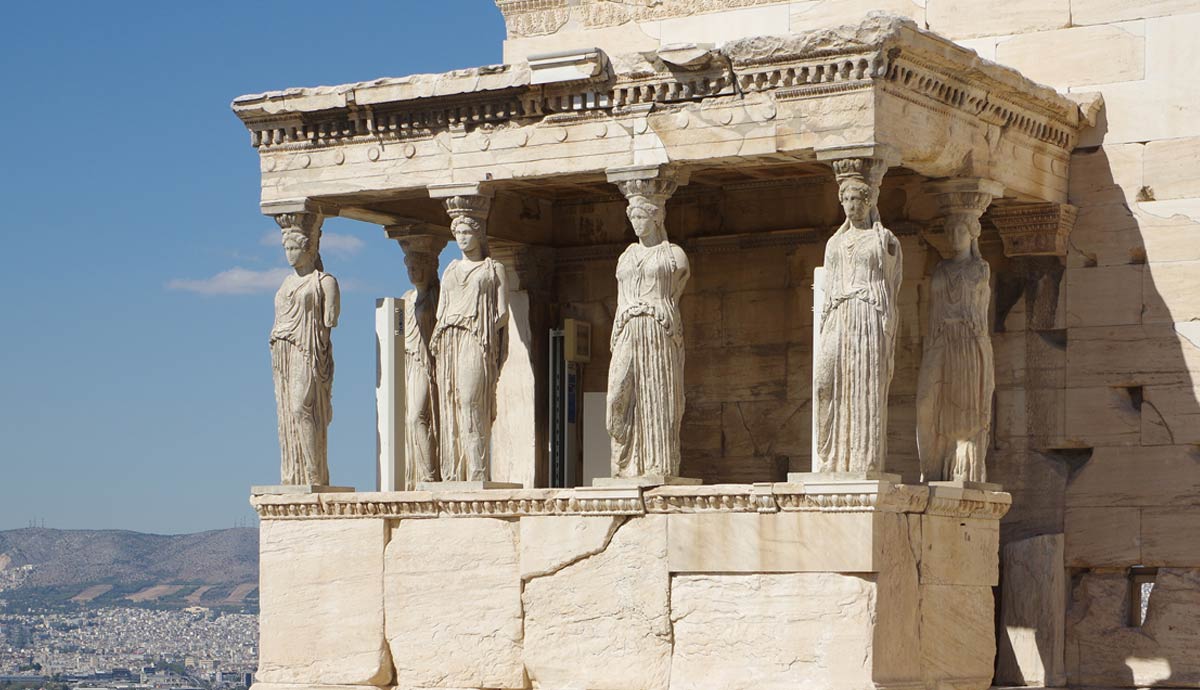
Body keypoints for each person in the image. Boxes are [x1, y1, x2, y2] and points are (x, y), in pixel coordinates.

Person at [814, 174, 902, 473]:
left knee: (865, 382)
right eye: (847, 200)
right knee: (824, 381)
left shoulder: (883, 240)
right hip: (838, 314)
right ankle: (831, 457)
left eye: (857, 200)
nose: (851, 206)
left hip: (867, 315)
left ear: (869, 202)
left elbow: (893, 281)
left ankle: (863, 458)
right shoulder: (834, 242)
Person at [607, 184, 690, 478]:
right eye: (633, 218)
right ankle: (625, 463)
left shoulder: (674, 256)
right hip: (628, 327)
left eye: (641, 217)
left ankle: (657, 465)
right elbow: (620, 297)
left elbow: (674, 293)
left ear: (656, 218)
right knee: (617, 396)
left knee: (660, 396)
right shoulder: (626, 256)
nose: (636, 224)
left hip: (658, 328)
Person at [430, 204, 508, 482]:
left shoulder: (493, 268)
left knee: (470, 400)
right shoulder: (450, 270)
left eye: (467, 232)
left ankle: (478, 471)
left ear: (479, 234)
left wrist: (483, 333)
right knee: (451, 402)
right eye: (458, 232)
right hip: (449, 339)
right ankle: (455, 472)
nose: (462, 238)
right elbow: (441, 310)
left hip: (477, 337)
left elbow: (501, 313)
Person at [916, 213, 994, 482]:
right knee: (929, 402)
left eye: (960, 232)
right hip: (940, 341)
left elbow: (977, 312)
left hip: (966, 343)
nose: (954, 238)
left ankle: (962, 467)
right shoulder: (940, 269)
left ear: (972, 235)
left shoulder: (980, 269)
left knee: (964, 405)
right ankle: (934, 465)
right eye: (950, 232)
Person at [270, 214, 340, 486]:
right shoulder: (285, 284)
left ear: (308, 249)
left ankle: (315, 473)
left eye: (294, 248)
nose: (289, 254)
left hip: (309, 350)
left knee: (302, 407)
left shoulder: (325, 282)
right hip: (283, 351)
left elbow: (330, 320)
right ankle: (295, 474)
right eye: (286, 249)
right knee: (288, 411)